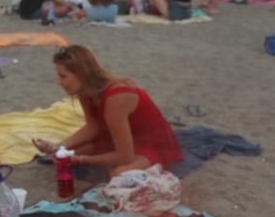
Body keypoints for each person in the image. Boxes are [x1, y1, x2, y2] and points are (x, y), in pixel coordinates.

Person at [34, 45, 183, 176]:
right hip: (121, 138)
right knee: (61, 156)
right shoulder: (86, 90)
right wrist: (59, 146)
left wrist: (82, 160)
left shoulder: (116, 97)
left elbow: (126, 156)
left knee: (118, 174)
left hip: (151, 143)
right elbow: (93, 128)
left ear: (81, 74)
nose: (59, 82)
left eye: (63, 76)